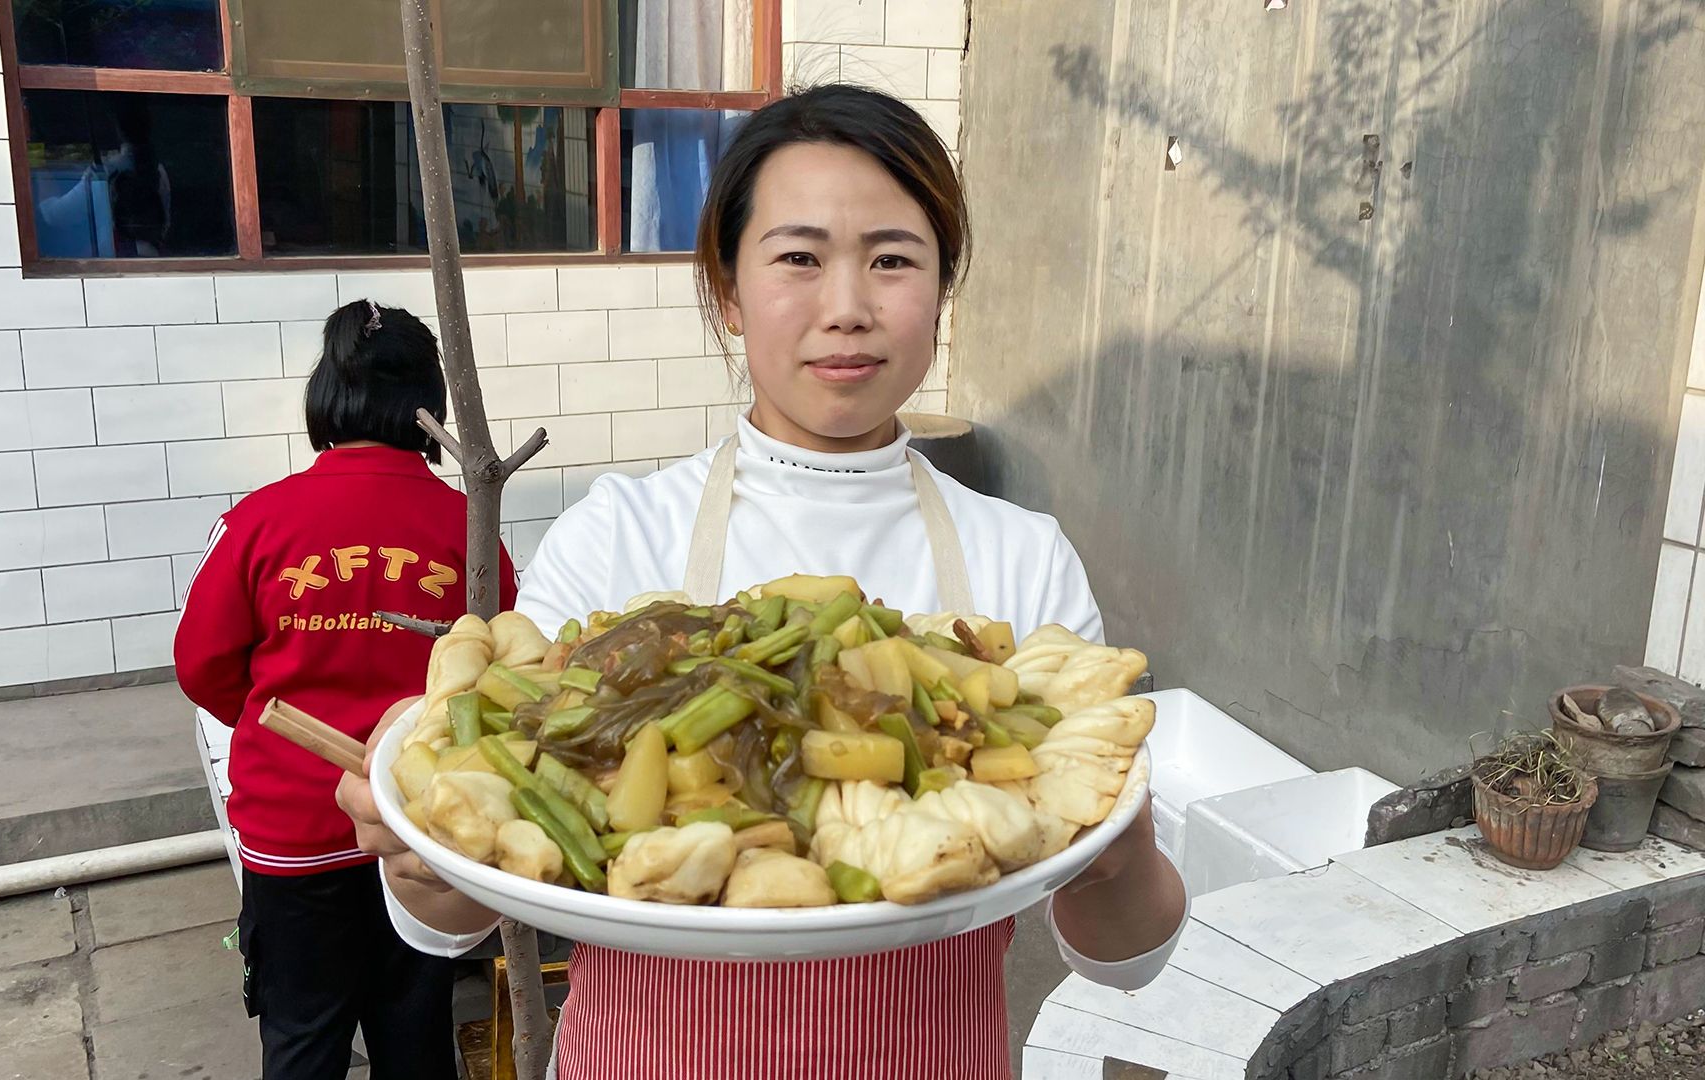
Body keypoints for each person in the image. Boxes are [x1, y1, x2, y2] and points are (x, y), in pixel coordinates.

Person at [338, 85, 1187, 1079]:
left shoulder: (1022, 558)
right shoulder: (619, 536)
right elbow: (455, 918)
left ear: (942, 288)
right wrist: (420, 847)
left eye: (893, 259)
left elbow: (1127, 959)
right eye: (798, 257)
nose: (848, 308)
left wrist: (1119, 845)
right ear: (729, 290)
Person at [176, 300, 516, 1080]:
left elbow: (202, 667)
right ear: (430, 403)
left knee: (301, 1040)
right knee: (416, 1037)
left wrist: (277, 726)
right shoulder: (468, 530)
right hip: (423, 829)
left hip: (291, 838)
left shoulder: (255, 524)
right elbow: (502, 676)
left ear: (326, 393)